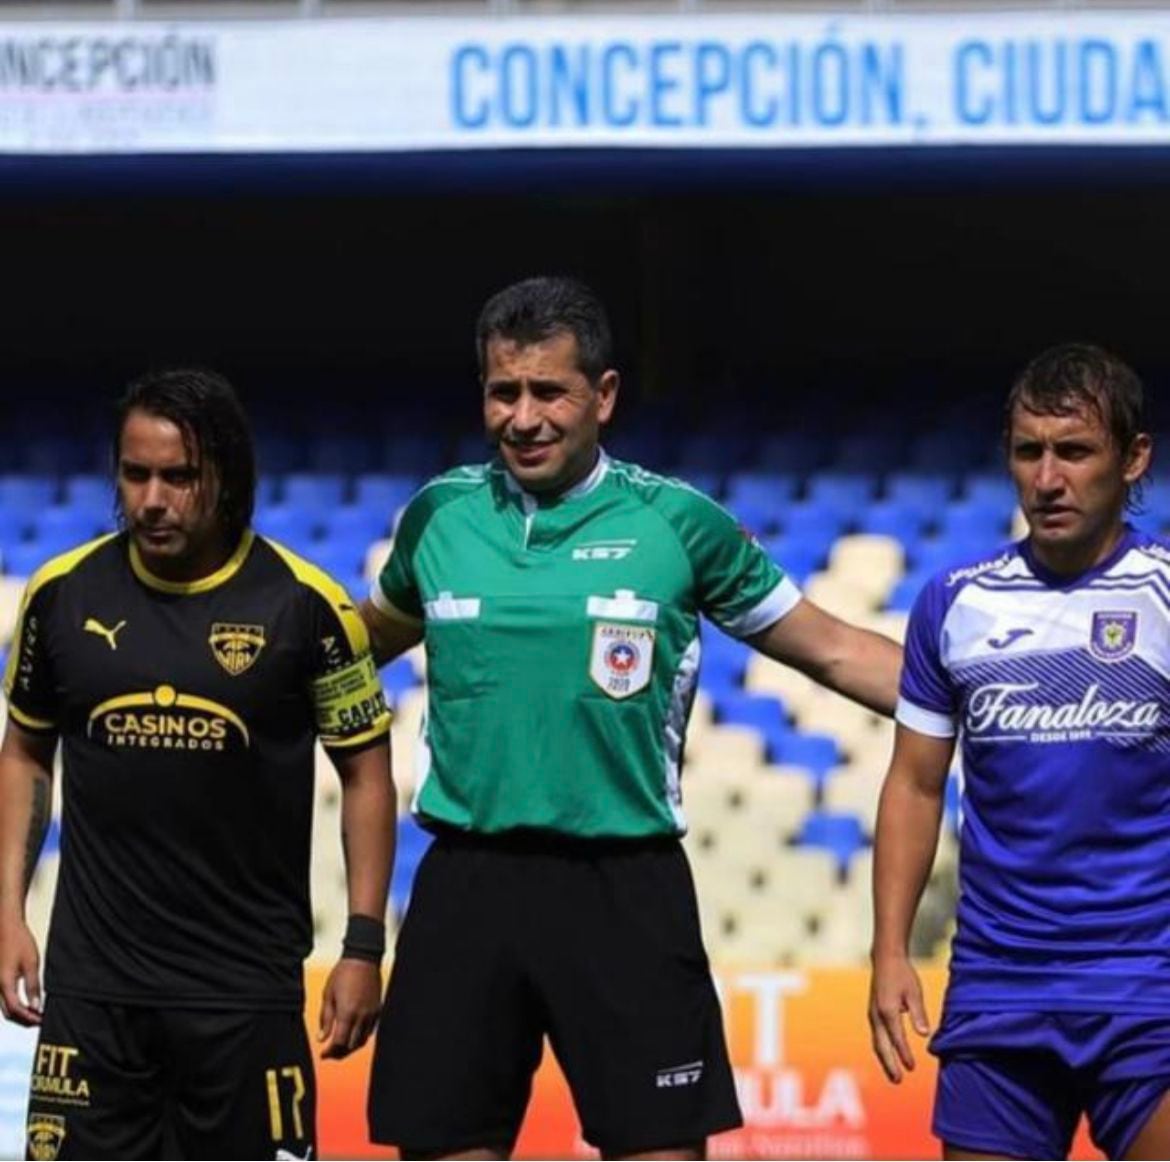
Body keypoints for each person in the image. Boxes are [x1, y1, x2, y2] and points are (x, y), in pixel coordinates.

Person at [359, 275, 903, 1161]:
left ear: (602, 397)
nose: (523, 418)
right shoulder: (440, 517)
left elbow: (836, 650)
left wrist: (998, 699)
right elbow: (359, 643)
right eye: (504, 392)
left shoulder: (678, 523)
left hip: (623, 884)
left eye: (549, 392)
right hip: (466, 880)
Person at [0, 368, 396, 1160]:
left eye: (179, 477)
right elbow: (24, 755)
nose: (152, 499)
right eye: (135, 473)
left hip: (243, 999)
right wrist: (7, 909)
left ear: (226, 478)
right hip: (93, 995)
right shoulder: (58, 597)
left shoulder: (306, 607)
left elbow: (367, 775)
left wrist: (361, 947)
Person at [868, 343, 1170, 1160]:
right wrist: (889, 950)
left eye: (1074, 451)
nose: (1047, 478)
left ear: (1133, 458)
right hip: (1000, 991)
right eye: (1028, 451)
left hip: (1148, 986)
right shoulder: (954, 602)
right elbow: (914, 785)